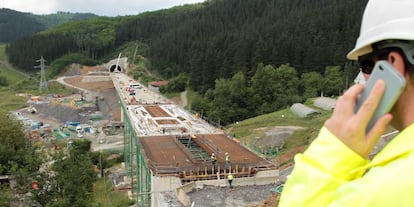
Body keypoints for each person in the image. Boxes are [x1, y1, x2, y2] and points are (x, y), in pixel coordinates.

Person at [279, 0, 414, 206]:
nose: (363, 77)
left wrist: (335, 150)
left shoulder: (390, 186)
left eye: (367, 65)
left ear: (393, 64)